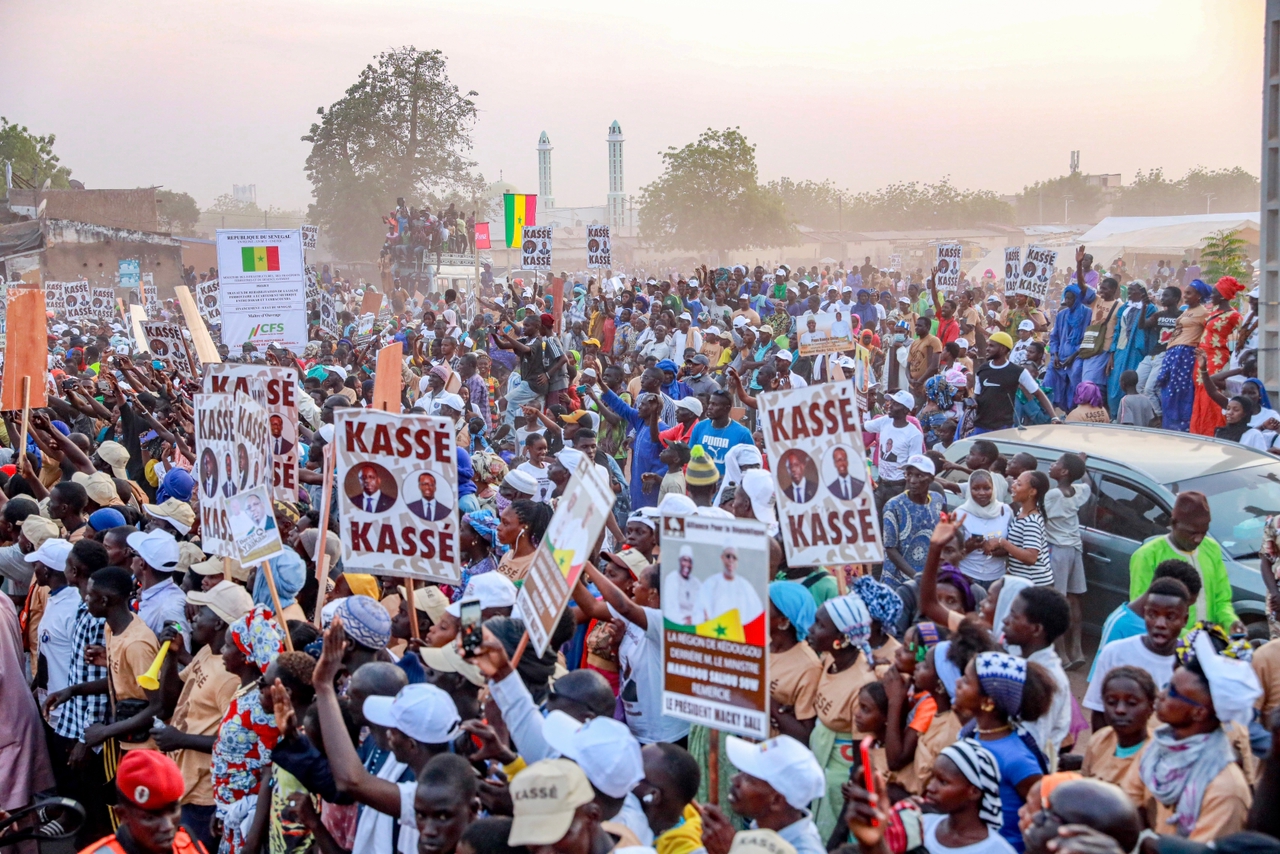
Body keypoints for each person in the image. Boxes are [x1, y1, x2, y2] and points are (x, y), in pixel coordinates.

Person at [1124, 635, 1260, 841]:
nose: (1160, 695)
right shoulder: (1158, 748)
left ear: (1199, 713)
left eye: (1172, 691)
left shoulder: (1225, 789)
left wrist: (1149, 843)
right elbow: (1128, 804)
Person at [952, 651, 1053, 852]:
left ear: (988, 702)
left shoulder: (1017, 759)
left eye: (966, 680)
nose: (957, 683)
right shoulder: (972, 735)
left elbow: (1044, 813)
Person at [806, 592, 878, 839]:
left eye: (820, 625)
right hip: (822, 765)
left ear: (840, 639)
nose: (811, 629)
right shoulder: (829, 659)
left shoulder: (862, 685)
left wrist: (839, 835)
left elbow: (861, 762)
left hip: (840, 778)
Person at [698, 735, 827, 854]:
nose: (734, 779)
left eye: (749, 779)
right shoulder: (763, 828)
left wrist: (732, 849)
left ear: (776, 800)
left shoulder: (805, 851)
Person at [1128, 491, 1236, 629]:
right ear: (1173, 523)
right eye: (1192, 533)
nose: (1198, 539)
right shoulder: (1147, 556)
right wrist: (1191, 639)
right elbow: (1144, 613)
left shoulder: (1212, 548)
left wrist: (1232, 623)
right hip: (1169, 645)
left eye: (1204, 532)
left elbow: (1222, 600)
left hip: (1207, 642)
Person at [80, 749, 208, 854]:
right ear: (122, 815)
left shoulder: (188, 846)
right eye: (150, 817)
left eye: (173, 810)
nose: (167, 826)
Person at [1042, 454, 1090, 667]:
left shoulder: (1053, 494)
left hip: (1057, 550)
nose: (1051, 465)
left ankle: (1061, 654)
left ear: (1064, 472)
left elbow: (1040, 513)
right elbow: (1087, 483)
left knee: (1056, 601)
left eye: (1056, 463)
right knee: (1074, 599)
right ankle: (1077, 649)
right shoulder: (1078, 492)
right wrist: (1083, 464)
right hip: (1074, 549)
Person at [1081, 666, 1157, 789]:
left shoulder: (1158, 755)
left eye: (1132, 703)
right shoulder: (1099, 741)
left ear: (1151, 707)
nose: (1120, 710)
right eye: (1111, 702)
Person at [1190, 276, 1245, 437]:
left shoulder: (1234, 316)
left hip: (1217, 358)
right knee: (1201, 393)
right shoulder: (1214, 311)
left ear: (1222, 295)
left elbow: (1245, 333)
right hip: (1202, 356)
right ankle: (1199, 431)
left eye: (1213, 293)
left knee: (1211, 393)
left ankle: (1213, 431)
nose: (1210, 296)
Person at [971, 332, 1058, 433]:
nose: (987, 349)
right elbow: (977, 395)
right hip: (981, 427)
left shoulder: (1018, 371)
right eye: (988, 345)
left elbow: (1038, 393)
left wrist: (1054, 417)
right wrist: (972, 402)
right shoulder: (982, 370)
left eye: (991, 346)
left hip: (1004, 428)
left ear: (1003, 348)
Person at [768, 582, 821, 742]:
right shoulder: (759, 644)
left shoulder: (809, 667)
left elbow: (805, 735)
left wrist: (766, 701)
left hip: (778, 756)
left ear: (783, 621)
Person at [882, 455, 945, 589]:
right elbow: (890, 548)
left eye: (919, 476)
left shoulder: (937, 500)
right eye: (909, 475)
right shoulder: (894, 506)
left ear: (931, 479)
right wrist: (916, 577)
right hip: (898, 580)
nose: (912, 480)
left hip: (928, 576)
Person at [1157, 279, 1210, 432]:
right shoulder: (1186, 310)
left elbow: (1207, 334)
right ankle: (1168, 426)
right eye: (1185, 293)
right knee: (1168, 391)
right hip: (1173, 353)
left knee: (1181, 392)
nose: (1185, 295)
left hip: (1185, 355)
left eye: (1189, 293)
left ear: (1198, 296)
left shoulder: (1204, 313)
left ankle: (1182, 429)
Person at [991, 470, 1052, 588]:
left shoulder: (1031, 521)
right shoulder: (1021, 513)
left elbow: (1031, 557)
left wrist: (1002, 542)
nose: (1012, 486)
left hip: (1034, 585)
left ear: (1032, 492)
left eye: (1019, 484)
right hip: (1022, 581)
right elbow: (1018, 547)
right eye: (1015, 482)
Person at [865, 391, 925, 509]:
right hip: (881, 484)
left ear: (905, 410)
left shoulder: (914, 435)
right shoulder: (885, 421)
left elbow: (914, 467)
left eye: (895, 404)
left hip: (899, 488)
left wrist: (905, 497)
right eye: (890, 402)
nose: (890, 405)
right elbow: (863, 426)